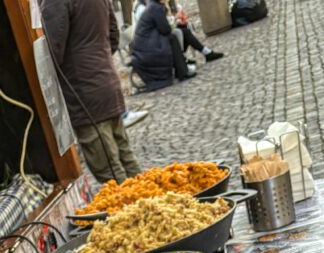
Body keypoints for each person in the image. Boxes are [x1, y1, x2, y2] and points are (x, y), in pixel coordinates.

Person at [42, 0, 142, 184]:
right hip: (107, 83)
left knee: (110, 173)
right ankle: (152, 204)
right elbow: (113, 36)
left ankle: (140, 208)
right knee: (126, 159)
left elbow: (51, 54)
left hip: (85, 94)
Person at [131, 0, 222, 90]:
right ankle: (183, 69)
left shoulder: (152, 6)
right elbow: (165, 29)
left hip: (148, 45)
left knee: (183, 32)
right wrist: (172, 22)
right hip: (148, 48)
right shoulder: (152, 8)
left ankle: (203, 54)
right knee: (173, 37)